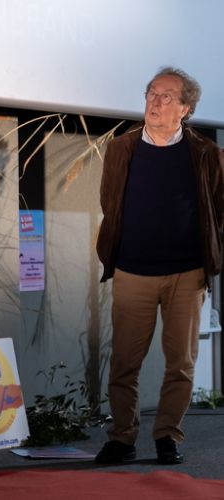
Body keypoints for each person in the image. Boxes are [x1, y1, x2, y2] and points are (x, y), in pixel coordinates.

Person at [95, 67, 224, 466]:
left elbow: (218, 209)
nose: (155, 101)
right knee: (124, 363)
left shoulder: (206, 153)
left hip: (187, 274)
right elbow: (110, 203)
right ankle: (122, 438)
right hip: (132, 271)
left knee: (181, 363)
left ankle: (168, 435)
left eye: (166, 96)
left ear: (185, 108)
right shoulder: (122, 148)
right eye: (151, 93)